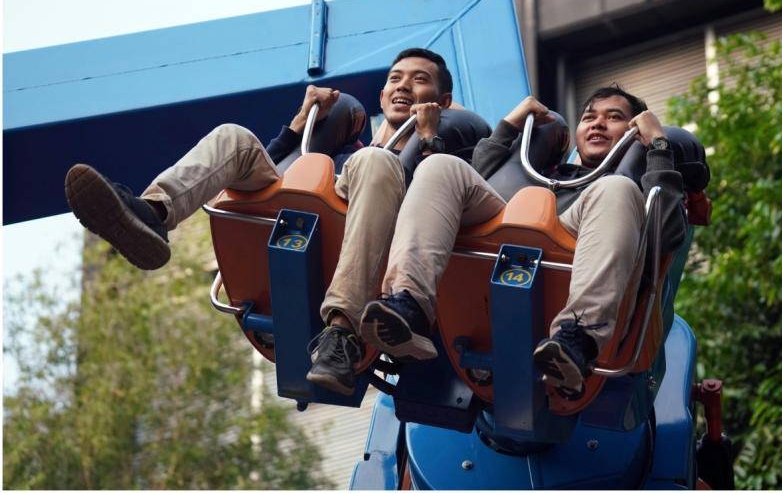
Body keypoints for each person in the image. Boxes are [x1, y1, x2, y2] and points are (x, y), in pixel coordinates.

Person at [64, 47, 488, 395]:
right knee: (234, 136)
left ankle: (341, 335)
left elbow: (433, 208)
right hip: (314, 217)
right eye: (396, 78)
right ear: (381, 95)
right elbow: (273, 174)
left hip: (374, 252)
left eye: (419, 80)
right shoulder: (346, 153)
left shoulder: (426, 159)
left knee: (374, 162)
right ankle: (152, 212)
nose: (404, 86)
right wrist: (299, 125)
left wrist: (430, 137)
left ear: (443, 101)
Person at [357, 86, 688, 398]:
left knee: (617, 188)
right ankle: (408, 303)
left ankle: (578, 337)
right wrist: (508, 127)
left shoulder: (625, 190)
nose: (598, 123)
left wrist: (658, 144)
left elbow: (667, 233)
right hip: (499, 244)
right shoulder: (538, 171)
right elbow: (477, 178)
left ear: (633, 135)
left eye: (613, 117)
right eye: (589, 117)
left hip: (577, 246)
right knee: (441, 166)